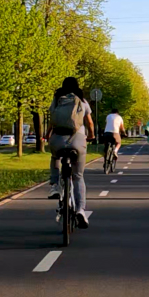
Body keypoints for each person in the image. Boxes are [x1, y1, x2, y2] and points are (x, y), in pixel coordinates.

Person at [45, 76, 96, 228]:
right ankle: (80, 210)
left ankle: (55, 185)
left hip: (58, 139)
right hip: (77, 140)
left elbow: (52, 119)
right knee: (78, 176)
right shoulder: (82, 101)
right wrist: (91, 136)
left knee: (55, 156)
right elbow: (90, 123)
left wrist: (47, 134)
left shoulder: (57, 99)